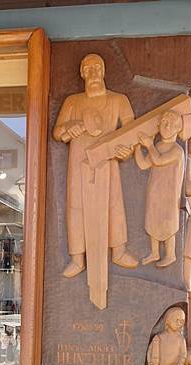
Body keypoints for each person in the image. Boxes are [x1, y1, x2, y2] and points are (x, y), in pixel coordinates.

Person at [53, 53, 138, 279]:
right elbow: (58, 132)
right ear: (82, 73)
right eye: (88, 69)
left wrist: (125, 150)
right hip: (78, 164)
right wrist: (70, 127)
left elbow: (131, 131)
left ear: (104, 71)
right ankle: (77, 257)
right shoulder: (73, 101)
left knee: (113, 203)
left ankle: (118, 250)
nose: (93, 73)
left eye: (97, 68)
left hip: (107, 162)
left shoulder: (118, 100)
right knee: (76, 206)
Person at [134, 110, 185, 267]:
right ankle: (155, 253)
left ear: (178, 128)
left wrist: (149, 145)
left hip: (169, 195)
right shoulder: (158, 146)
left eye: (171, 124)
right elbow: (144, 164)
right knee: (152, 218)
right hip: (155, 191)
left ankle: (170, 254)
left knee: (168, 223)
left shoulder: (177, 150)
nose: (166, 126)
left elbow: (159, 160)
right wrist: (136, 147)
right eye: (164, 122)